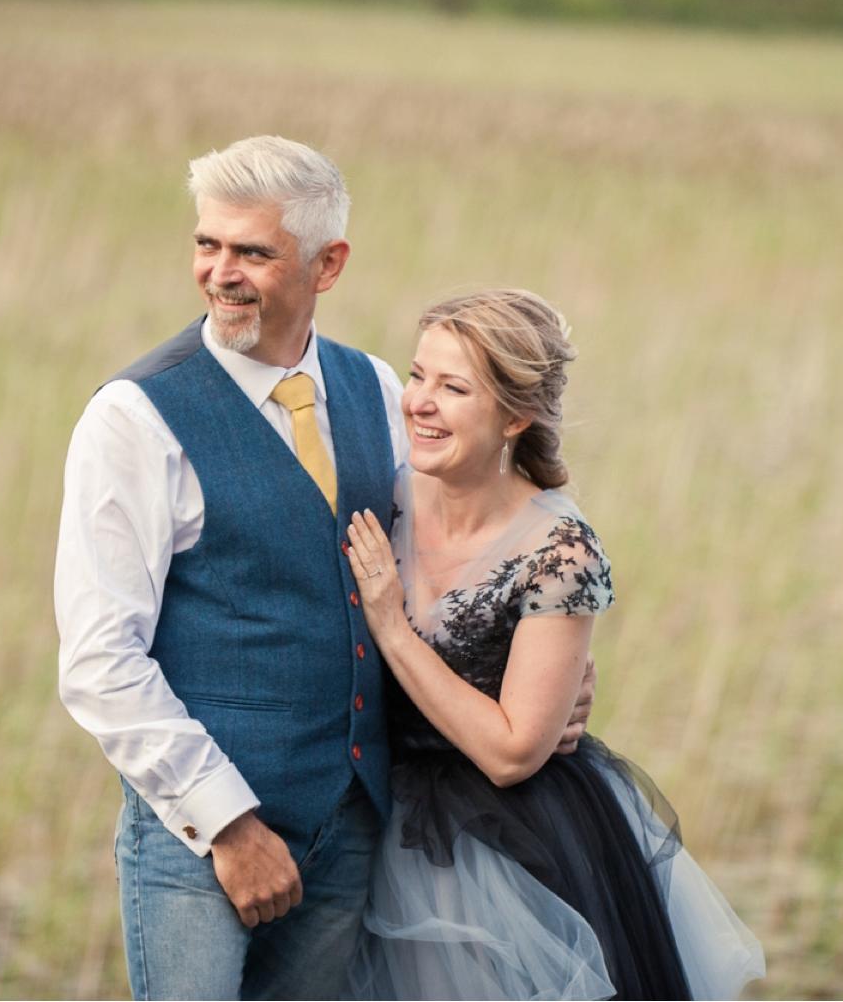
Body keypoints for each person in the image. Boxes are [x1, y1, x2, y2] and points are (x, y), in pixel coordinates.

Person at [53, 137, 593, 1000]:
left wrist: (529, 682)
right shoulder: (132, 418)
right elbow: (97, 663)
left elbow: (434, 571)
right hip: (202, 845)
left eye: (252, 252)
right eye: (206, 244)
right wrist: (229, 827)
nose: (219, 273)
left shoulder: (377, 388)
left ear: (327, 263)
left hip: (352, 832)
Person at [343, 288, 767, 1000]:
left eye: (453, 387)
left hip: (505, 856)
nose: (418, 401)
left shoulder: (560, 549)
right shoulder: (375, 499)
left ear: (515, 416)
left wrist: (390, 623)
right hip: (366, 822)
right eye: (417, 375)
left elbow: (512, 753)